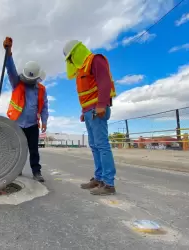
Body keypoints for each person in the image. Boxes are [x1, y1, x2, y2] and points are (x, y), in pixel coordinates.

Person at [62, 40, 117, 195]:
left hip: (97, 109)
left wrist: (101, 104)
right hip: (89, 111)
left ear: (77, 52)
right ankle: (99, 178)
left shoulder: (95, 60)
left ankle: (109, 183)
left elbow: (104, 82)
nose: (71, 62)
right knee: (94, 145)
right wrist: (84, 112)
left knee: (102, 144)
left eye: (71, 57)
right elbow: (86, 94)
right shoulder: (81, 70)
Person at [3, 37, 48, 183]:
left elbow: (45, 106)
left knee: (34, 149)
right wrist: (9, 52)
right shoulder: (17, 83)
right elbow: (10, 70)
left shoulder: (41, 89)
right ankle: (17, 169)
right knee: (16, 148)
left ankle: (36, 171)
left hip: (32, 124)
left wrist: (44, 121)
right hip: (17, 123)